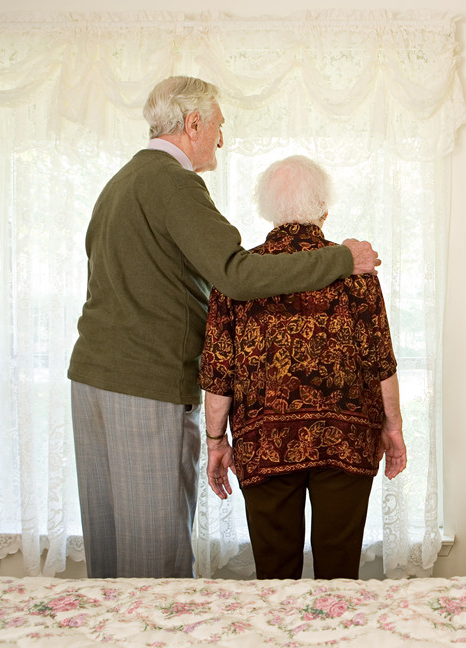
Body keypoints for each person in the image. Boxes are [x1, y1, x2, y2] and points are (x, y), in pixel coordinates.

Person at [67, 76, 381, 579]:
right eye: (217, 125)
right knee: (156, 556)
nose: (220, 137)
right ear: (193, 124)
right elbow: (237, 274)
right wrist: (341, 258)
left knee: (109, 553)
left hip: (93, 378)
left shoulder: (122, 182)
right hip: (141, 382)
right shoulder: (172, 182)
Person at [199, 155, 407, 580]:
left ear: (267, 211)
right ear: (324, 211)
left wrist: (216, 441)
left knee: (275, 575)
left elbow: (218, 371)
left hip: (265, 440)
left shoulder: (237, 277)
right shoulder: (355, 268)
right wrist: (394, 428)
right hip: (347, 439)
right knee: (339, 572)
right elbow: (379, 359)